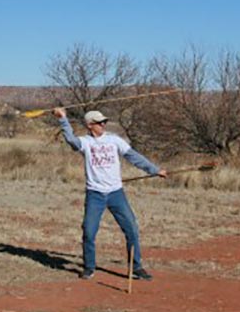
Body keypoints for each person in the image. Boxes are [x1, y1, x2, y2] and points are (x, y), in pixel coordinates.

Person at [54, 107, 167, 280]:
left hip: (116, 193)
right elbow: (71, 140)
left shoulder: (114, 140)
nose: (104, 124)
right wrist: (63, 118)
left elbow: (134, 157)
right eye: (100, 122)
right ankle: (89, 268)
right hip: (95, 194)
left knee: (131, 229)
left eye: (104, 122)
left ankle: (136, 268)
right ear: (90, 125)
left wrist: (154, 170)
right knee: (89, 232)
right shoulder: (85, 142)